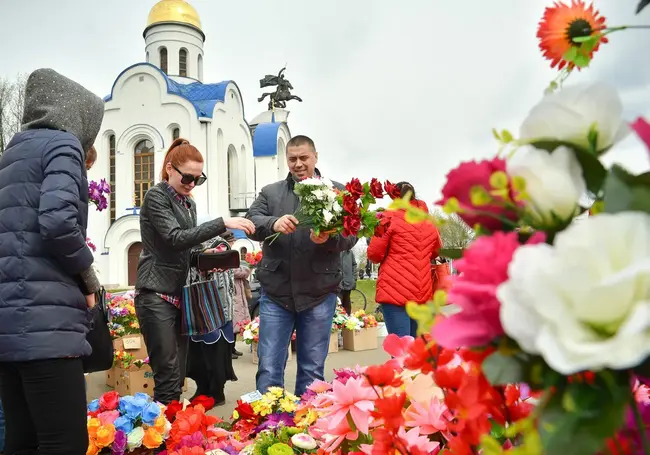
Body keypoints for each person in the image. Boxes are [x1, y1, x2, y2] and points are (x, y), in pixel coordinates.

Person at [0, 68, 103, 455]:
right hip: (48, 326)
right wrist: (87, 276)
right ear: (79, 115)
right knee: (64, 442)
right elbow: (58, 222)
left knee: (22, 440)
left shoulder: (14, 151)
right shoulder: (62, 144)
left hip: (9, 327)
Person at [134, 137, 254, 406]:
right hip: (155, 295)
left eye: (198, 179)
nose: (191, 184)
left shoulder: (189, 204)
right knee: (167, 373)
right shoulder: (156, 196)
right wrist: (222, 223)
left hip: (180, 294)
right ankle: (164, 441)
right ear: (169, 169)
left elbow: (185, 250)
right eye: (187, 177)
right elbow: (174, 238)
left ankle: (171, 433)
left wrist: (204, 255)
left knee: (177, 375)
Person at [246, 135, 357, 397]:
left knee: (312, 369)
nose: (298, 164)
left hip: (320, 293)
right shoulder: (270, 193)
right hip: (276, 294)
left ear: (315, 156)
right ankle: (268, 423)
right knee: (270, 366)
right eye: (292, 159)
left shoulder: (337, 192)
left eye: (303, 158)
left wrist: (330, 237)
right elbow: (251, 222)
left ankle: (307, 427)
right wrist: (273, 223)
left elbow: (350, 236)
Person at [367, 182, 442, 338]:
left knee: (400, 350)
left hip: (394, 288)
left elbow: (374, 254)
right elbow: (436, 251)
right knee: (415, 349)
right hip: (422, 290)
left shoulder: (389, 217)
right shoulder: (429, 223)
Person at [186, 234, 238, 406]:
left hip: (217, 309)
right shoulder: (190, 242)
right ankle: (202, 389)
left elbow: (222, 279)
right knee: (198, 354)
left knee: (215, 354)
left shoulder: (220, 245)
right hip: (197, 307)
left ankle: (216, 393)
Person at [228, 233, 251, 359]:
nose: (233, 243)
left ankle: (233, 348)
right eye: (232, 241)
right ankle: (229, 350)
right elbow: (234, 270)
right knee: (232, 322)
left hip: (238, 291)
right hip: (233, 292)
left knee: (237, 323)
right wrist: (246, 270)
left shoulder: (231, 252)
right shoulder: (225, 252)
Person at [339, 249, 357, 315]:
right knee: (338, 303)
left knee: (347, 303)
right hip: (338, 283)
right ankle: (338, 322)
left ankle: (347, 319)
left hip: (348, 282)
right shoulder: (336, 250)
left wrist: (354, 278)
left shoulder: (350, 252)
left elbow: (354, 265)